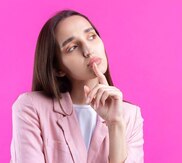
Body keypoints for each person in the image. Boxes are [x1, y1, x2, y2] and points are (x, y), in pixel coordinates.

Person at [10, 9, 144, 163]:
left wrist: (115, 124)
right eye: (72, 47)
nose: (88, 51)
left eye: (92, 36)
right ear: (57, 68)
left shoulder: (130, 116)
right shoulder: (31, 107)